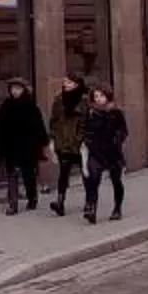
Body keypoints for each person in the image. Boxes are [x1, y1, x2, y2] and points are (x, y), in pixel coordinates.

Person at [0, 81, 49, 214]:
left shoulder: (30, 106)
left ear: (23, 90)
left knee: (28, 174)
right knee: (11, 174)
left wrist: (41, 142)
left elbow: (38, 126)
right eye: (12, 88)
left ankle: (32, 197)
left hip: (27, 146)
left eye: (18, 88)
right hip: (11, 146)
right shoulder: (6, 105)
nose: (15, 91)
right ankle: (13, 203)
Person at [80, 86, 130, 223]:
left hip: (112, 152)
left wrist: (117, 139)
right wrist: (86, 140)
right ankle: (91, 208)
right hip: (95, 151)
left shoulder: (116, 113)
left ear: (107, 97)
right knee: (93, 179)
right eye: (96, 96)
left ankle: (117, 208)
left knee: (116, 181)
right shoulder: (91, 113)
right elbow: (84, 128)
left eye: (101, 96)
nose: (98, 99)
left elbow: (123, 131)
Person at [46, 74, 90, 219]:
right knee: (64, 171)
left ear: (77, 85)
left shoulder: (84, 101)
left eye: (69, 82)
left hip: (80, 143)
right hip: (63, 141)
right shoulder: (59, 100)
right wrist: (53, 138)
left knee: (86, 173)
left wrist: (82, 139)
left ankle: (89, 201)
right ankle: (60, 201)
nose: (65, 84)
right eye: (65, 82)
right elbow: (54, 121)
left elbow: (87, 122)